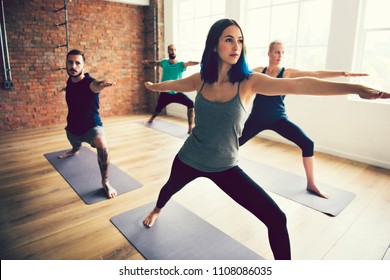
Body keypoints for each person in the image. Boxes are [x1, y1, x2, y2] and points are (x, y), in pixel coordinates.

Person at [142, 19, 388, 260]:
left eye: (240, 40)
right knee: (168, 189)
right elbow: (174, 83)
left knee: (277, 218)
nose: (236, 46)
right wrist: (154, 87)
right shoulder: (201, 79)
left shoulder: (249, 81)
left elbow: (299, 85)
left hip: (225, 167)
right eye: (229, 40)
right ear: (214, 45)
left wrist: (355, 88)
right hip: (190, 157)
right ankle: (157, 209)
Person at [239, 40, 369, 199]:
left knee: (308, 143)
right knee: (235, 142)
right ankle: (222, 166)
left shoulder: (287, 73)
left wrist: (343, 74)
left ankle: (311, 184)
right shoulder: (259, 71)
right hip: (256, 119)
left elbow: (315, 74)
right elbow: (239, 74)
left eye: (282, 52)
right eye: (277, 52)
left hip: (278, 119)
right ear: (269, 53)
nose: (280, 56)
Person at [58, 49, 117, 199]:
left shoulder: (89, 83)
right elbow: (74, 89)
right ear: (66, 64)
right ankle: (74, 150)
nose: (73, 66)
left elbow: (95, 85)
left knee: (102, 145)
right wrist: (65, 88)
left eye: (78, 63)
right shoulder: (70, 80)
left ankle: (105, 181)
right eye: (70, 62)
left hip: (91, 126)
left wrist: (102, 84)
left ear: (84, 66)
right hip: (72, 127)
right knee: (75, 144)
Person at [142, 44, 199, 134]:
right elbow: (156, 62)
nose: (173, 51)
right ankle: (150, 120)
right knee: (158, 109)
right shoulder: (164, 62)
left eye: (174, 50)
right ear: (168, 51)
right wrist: (147, 61)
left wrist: (200, 62)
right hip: (165, 92)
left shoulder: (180, 64)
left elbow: (189, 63)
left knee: (191, 104)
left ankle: (190, 128)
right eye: (171, 50)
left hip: (177, 92)